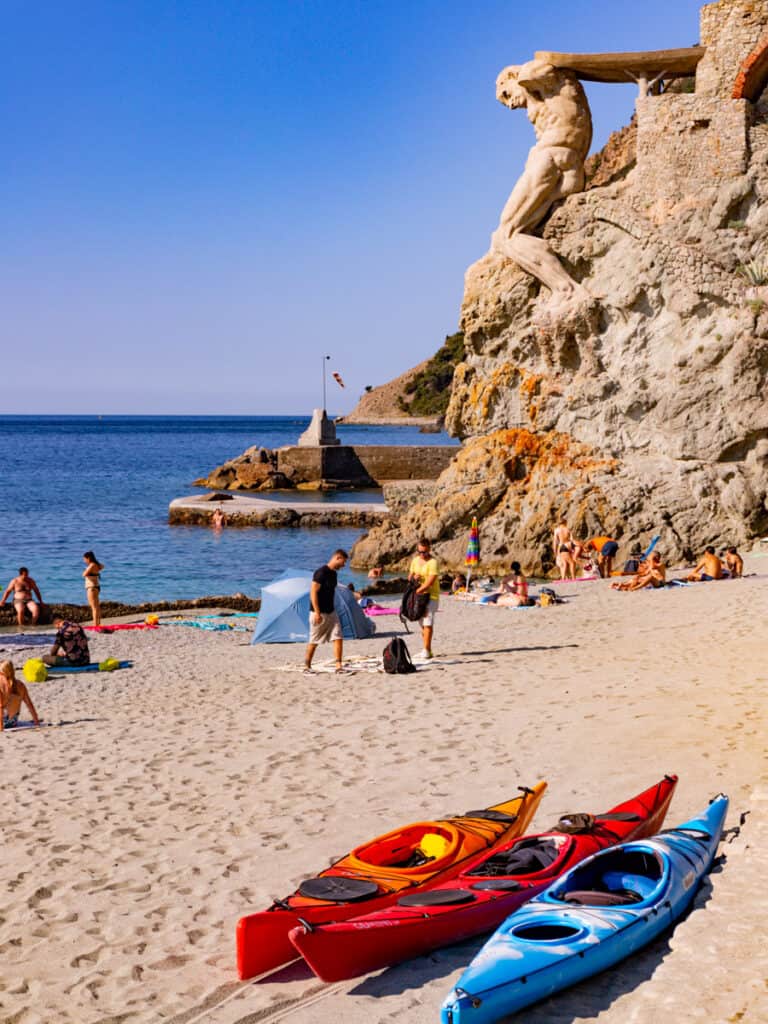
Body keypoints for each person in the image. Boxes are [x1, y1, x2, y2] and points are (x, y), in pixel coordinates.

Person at [304, 549, 348, 673]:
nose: (344, 565)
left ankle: (338, 666)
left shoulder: (334, 574)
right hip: (318, 613)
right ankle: (307, 666)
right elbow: (313, 593)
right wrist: (317, 612)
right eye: (343, 562)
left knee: (338, 636)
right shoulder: (321, 572)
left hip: (331, 611)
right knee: (314, 641)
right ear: (337, 558)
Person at [408, 538, 440, 659]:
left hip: (431, 596)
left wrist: (417, 590)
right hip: (419, 597)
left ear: (429, 549)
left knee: (428, 622)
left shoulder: (433, 562)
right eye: (420, 552)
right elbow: (409, 577)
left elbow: (430, 582)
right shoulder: (415, 561)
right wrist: (413, 578)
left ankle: (426, 650)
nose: (422, 554)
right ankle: (427, 649)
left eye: (425, 552)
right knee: (422, 623)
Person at [0, 661, 41, 731]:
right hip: (13, 722)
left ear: (2, 673)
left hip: (2, 722)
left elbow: (0, 707)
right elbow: (29, 704)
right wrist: (36, 721)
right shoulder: (20, 685)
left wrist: (1, 727)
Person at [82, 551, 104, 628]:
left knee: (93, 607)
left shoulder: (91, 565)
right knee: (97, 606)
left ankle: (95, 625)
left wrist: (87, 569)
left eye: (85, 559)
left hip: (91, 587)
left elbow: (83, 574)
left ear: (88, 558)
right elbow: (102, 566)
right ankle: (98, 623)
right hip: (96, 586)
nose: (84, 560)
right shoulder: (96, 565)